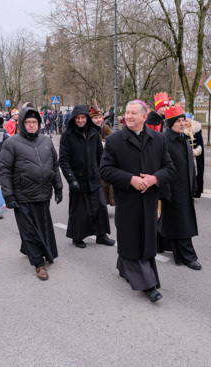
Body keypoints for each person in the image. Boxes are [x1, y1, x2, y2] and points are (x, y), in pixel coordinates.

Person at [100, 100, 175, 302]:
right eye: (127, 112)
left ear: (144, 116)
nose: (129, 116)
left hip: (150, 201)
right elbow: (105, 171)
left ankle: (123, 267)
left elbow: (169, 168)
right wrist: (130, 179)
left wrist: (155, 178)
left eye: (134, 113)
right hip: (127, 201)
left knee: (145, 241)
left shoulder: (159, 139)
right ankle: (148, 285)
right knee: (132, 239)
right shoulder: (115, 140)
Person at [0, 107, 63, 280]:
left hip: (43, 193)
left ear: (39, 124)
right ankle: (38, 263)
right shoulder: (11, 143)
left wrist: (58, 188)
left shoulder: (46, 141)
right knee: (29, 229)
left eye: (34, 122)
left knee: (41, 226)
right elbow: (4, 171)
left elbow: (54, 166)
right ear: (21, 123)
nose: (31, 125)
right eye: (27, 122)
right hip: (22, 194)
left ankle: (27, 248)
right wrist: (9, 195)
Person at [59, 104, 115, 248]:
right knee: (80, 211)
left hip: (94, 177)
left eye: (83, 117)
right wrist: (71, 179)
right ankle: (77, 237)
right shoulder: (67, 135)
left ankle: (101, 235)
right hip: (78, 178)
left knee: (100, 208)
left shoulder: (94, 133)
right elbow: (64, 160)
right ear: (73, 119)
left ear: (86, 118)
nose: (80, 120)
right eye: (77, 118)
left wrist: (100, 171)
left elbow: (100, 156)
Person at [158, 105, 201, 270]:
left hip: (185, 186)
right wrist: (164, 189)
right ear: (170, 124)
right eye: (178, 121)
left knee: (170, 218)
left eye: (183, 120)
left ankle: (158, 243)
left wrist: (193, 183)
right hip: (173, 187)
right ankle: (188, 256)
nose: (183, 123)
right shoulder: (164, 140)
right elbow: (161, 166)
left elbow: (188, 164)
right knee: (182, 221)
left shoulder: (183, 137)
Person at [90, 106, 115, 206]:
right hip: (93, 161)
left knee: (107, 183)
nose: (98, 120)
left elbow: (113, 140)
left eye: (100, 117)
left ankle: (105, 202)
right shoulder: (89, 130)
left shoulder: (105, 127)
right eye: (95, 118)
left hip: (105, 159)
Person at [184, 113, 204, 198]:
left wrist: (195, 152)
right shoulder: (181, 132)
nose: (185, 123)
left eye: (187, 121)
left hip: (196, 156)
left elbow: (200, 144)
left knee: (196, 173)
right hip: (185, 156)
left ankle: (195, 191)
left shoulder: (196, 130)